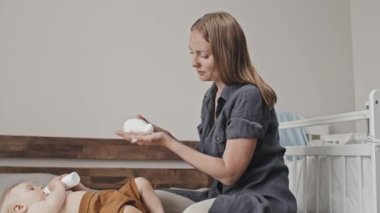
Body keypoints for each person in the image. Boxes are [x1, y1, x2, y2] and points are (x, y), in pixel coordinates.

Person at [116, 11, 297, 213]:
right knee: (145, 197)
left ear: (226, 53)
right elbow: (207, 160)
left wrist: (168, 142)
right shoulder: (211, 97)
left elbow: (229, 173)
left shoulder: (249, 96)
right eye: (191, 53)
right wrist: (164, 136)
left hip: (259, 201)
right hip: (223, 196)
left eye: (203, 55)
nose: (194, 62)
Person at [0, 174, 164, 213]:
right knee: (128, 211)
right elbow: (52, 205)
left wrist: (79, 187)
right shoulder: (35, 210)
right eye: (31, 188)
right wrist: (58, 185)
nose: (40, 187)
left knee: (140, 182)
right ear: (18, 208)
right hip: (99, 210)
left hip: (107, 199)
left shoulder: (56, 195)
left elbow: (93, 194)